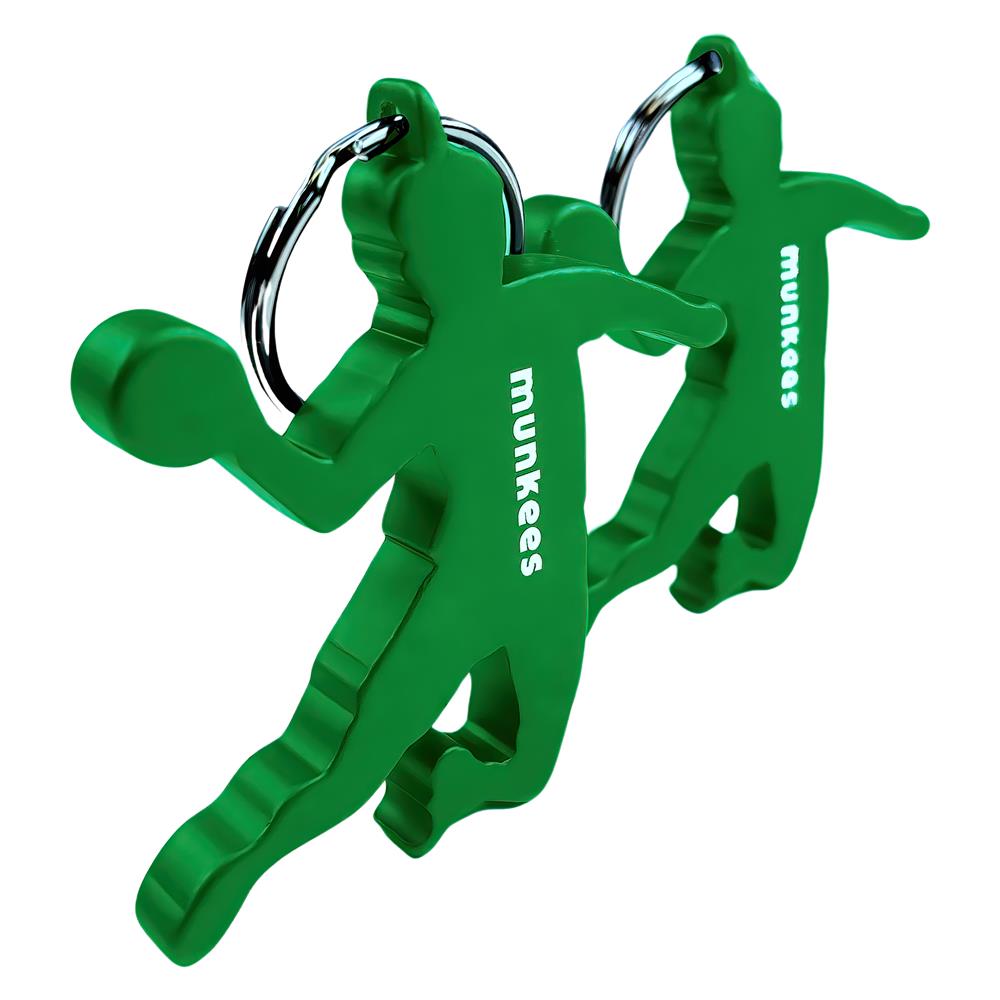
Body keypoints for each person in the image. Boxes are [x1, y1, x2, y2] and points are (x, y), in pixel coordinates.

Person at [71, 79, 725, 965]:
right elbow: (676, 319)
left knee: (488, 763)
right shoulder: (504, 321)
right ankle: (219, 874)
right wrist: (227, 429)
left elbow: (321, 497)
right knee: (338, 760)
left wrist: (232, 431)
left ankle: (443, 784)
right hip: (464, 592)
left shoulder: (486, 329)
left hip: (523, 587)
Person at [526, 36, 929, 623]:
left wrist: (603, 272)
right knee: (652, 535)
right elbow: (905, 221)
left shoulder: (760, 223)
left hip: (777, 417)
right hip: (741, 417)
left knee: (754, 551)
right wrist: (600, 270)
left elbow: (648, 336)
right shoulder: (778, 215)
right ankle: (559, 615)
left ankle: (710, 565)